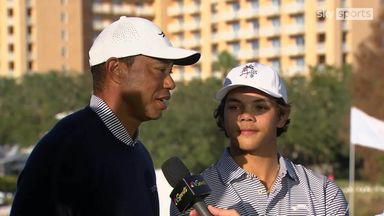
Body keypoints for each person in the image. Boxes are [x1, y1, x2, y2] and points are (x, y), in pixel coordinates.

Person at [10, 16, 201, 216]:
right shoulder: (63, 151)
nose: (170, 83)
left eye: (170, 72)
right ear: (116, 70)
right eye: (160, 70)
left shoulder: (140, 156)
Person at [171, 62, 349, 215]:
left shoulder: (324, 193)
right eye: (234, 107)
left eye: (259, 107)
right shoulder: (191, 199)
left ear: (282, 116)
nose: (245, 116)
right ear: (222, 115)